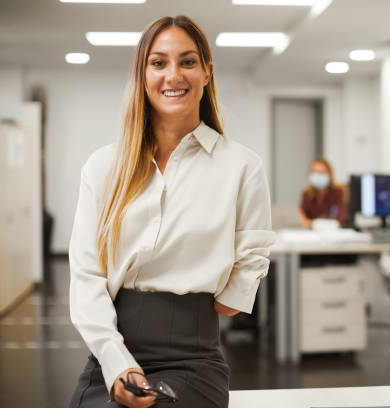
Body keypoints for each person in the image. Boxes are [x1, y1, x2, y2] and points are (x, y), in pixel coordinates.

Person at [68, 15, 275, 408]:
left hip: (193, 359)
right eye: (159, 62)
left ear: (207, 73)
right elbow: (86, 277)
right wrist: (117, 364)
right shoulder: (103, 167)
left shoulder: (242, 167)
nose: (173, 75)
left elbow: (243, 276)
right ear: (142, 74)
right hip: (110, 355)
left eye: (188, 61)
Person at [299, 157, 346, 228]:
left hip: (334, 234)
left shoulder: (338, 192)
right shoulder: (306, 194)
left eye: (321, 173)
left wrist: (314, 223)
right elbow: (303, 220)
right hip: (311, 235)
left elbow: (340, 221)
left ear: (330, 175)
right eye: (314, 172)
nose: (317, 175)